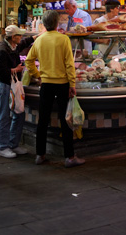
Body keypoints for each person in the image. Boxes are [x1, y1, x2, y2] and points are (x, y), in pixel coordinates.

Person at [25, 10, 85, 168]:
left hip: (46, 84)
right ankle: (69, 157)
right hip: (62, 84)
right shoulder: (63, 39)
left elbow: (29, 61)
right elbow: (69, 64)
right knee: (66, 120)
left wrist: (38, 76)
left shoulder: (39, 40)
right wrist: (72, 84)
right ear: (57, 23)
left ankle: (40, 155)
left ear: (43, 24)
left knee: (43, 119)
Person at [0, 25, 30, 159]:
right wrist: (15, 70)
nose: (21, 37)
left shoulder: (13, 46)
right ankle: (2, 147)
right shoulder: (2, 50)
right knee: (4, 116)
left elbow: (23, 43)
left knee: (18, 113)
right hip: (5, 86)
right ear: (13, 37)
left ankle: (13, 144)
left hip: (14, 85)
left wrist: (36, 37)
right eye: (19, 35)